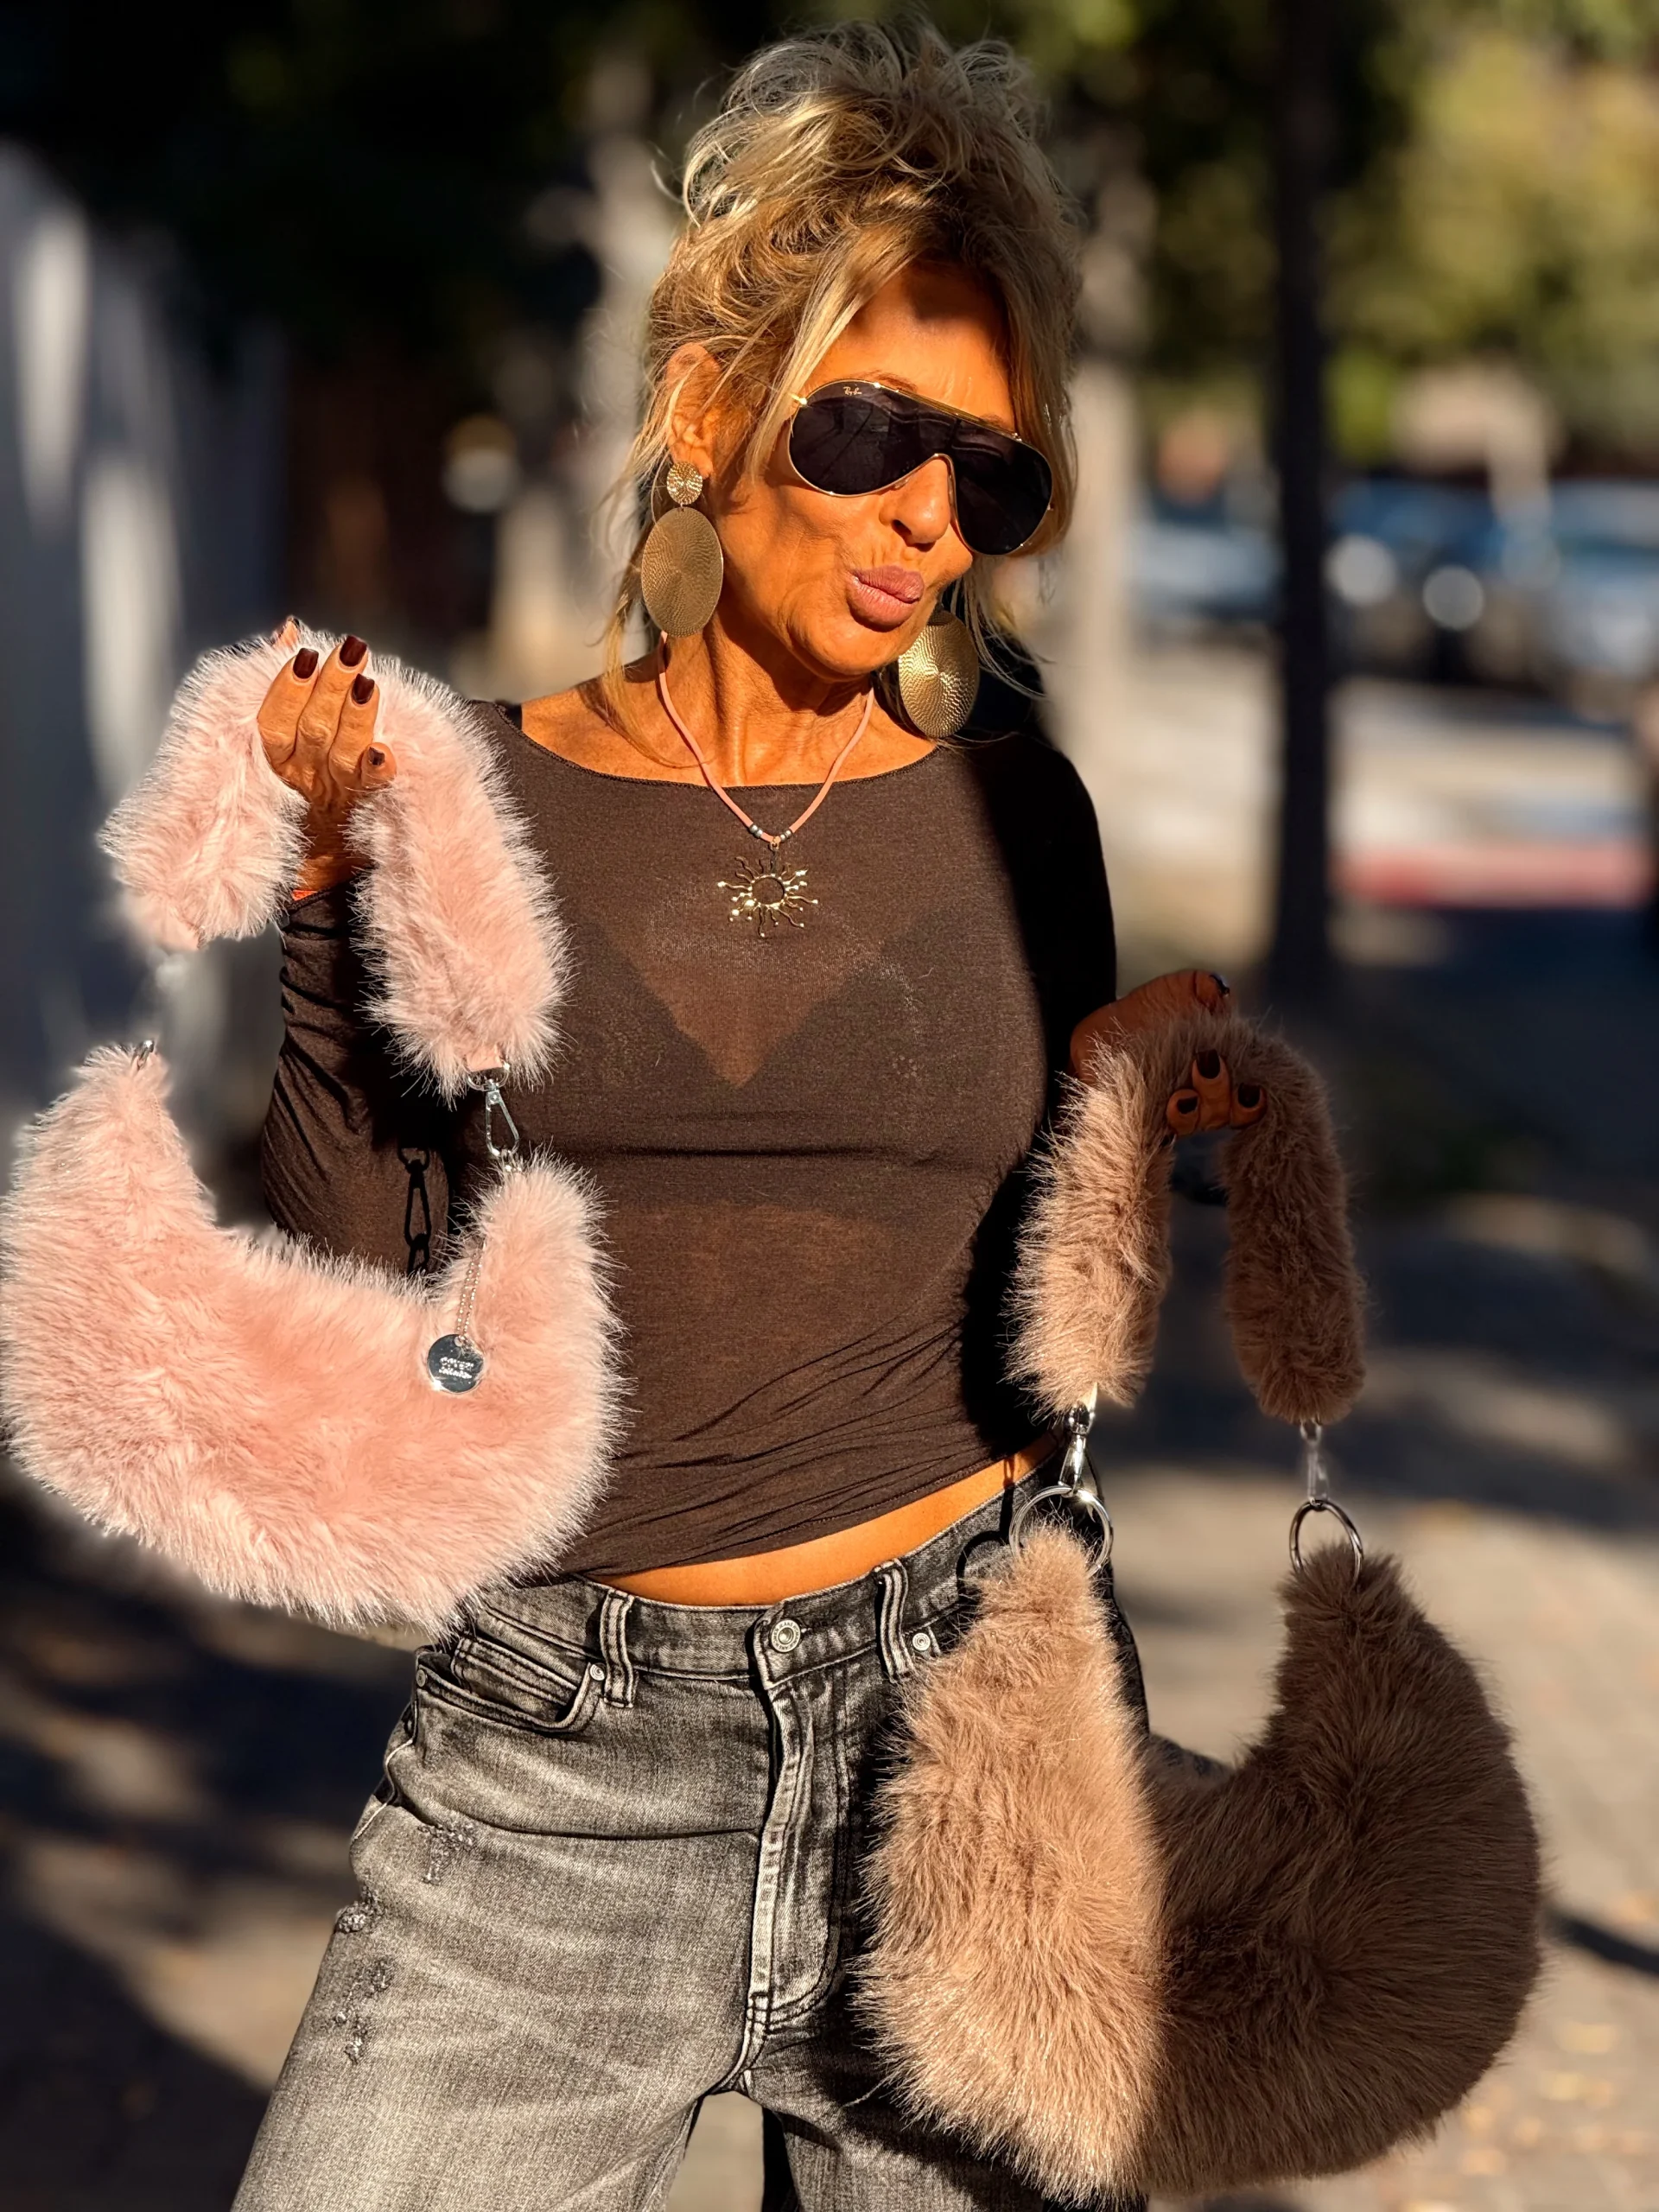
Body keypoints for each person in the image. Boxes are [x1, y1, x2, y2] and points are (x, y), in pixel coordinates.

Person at [234, 23, 1258, 2209]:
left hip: (972, 1749)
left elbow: (1033, 1293)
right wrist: (324, 887)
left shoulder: (1021, 817)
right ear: (706, 414)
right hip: (553, 1765)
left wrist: (1130, 1104)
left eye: (988, 476)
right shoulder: (474, 795)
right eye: (872, 428)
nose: (926, 516)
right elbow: (351, 1241)